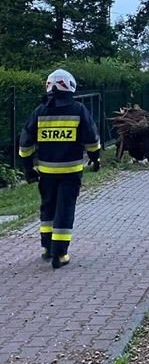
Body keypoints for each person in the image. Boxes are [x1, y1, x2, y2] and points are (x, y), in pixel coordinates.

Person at [18, 69, 101, 269]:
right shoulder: (79, 110)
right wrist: (95, 159)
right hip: (71, 171)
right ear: (70, 86)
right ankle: (60, 253)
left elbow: (25, 143)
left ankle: (47, 248)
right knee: (65, 208)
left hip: (46, 172)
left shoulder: (40, 111)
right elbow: (91, 138)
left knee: (48, 207)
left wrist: (28, 169)